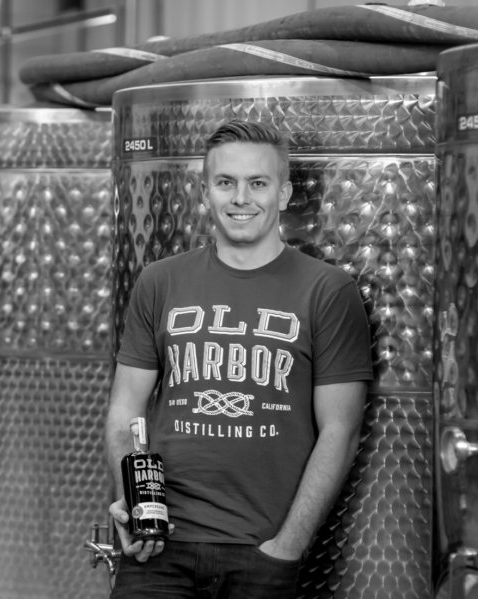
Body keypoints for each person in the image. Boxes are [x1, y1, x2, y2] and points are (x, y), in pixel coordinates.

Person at [105, 121, 373, 598]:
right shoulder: (159, 282)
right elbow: (126, 409)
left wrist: (287, 547)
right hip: (159, 547)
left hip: (261, 553)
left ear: (284, 193)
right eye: (226, 182)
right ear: (205, 191)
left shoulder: (329, 291)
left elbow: (341, 431)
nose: (241, 198)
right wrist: (132, 507)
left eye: (258, 183)